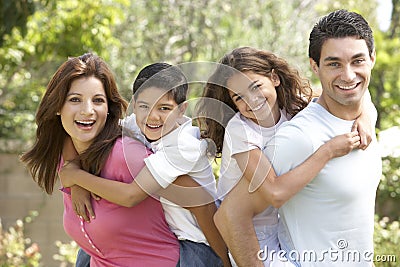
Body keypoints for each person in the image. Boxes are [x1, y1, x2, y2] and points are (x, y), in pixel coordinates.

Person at [213, 9, 381, 267]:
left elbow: (350, 92)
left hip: (278, 226)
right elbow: (271, 195)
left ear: (274, 79)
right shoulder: (248, 132)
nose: (348, 75)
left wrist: (367, 116)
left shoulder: (292, 108)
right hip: (257, 237)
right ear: (315, 66)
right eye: (334, 63)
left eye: (357, 61)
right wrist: (327, 151)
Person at [60, 63, 231, 266]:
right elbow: (80, 130)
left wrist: (76, 177)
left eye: (164, 108)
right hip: (162, 237)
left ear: (182, 109)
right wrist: (76, 181)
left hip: (197, 245)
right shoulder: (137, 125)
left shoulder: (184, 146)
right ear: (135, 105)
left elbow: (131, 195)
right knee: (88, 252)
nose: (152, 116)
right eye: (144, 106)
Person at [20, 53, 180, 266]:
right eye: (75, 99)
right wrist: (77, 176)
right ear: (58, 106)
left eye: (98, 100)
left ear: (109, 108)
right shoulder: (67, 156)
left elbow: (192, 191)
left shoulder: (128, 155)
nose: (87, 111)